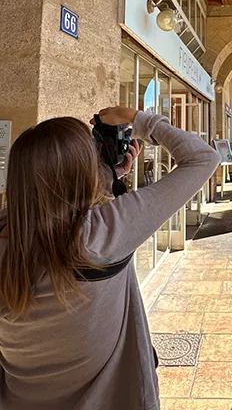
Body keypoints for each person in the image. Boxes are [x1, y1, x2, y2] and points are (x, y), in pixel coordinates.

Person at [0, 106, 220, 410]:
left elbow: (48, 209)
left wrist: (111, 178)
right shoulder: (102, 234)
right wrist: (134, 117)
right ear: (83, 172)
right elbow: (202, 158)